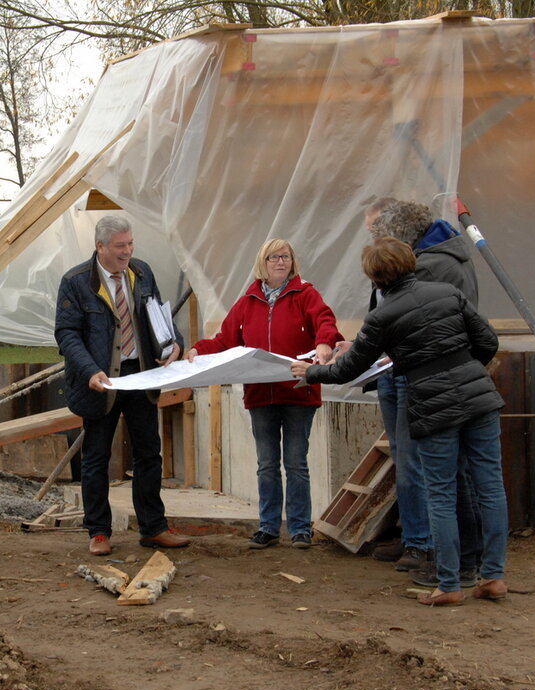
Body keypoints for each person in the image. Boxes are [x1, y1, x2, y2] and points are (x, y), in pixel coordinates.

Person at [293, 237, 508, 606]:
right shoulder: (446, 293)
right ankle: (493, 576)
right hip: (478, 397)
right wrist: (464, 366)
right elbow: (487, 341)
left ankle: (449, 584)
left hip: (432, 406)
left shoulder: (382, 316)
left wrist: (312, 372)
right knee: (490, 486)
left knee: (440, 493)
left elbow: (350, 368)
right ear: (411, 262)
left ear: (374, 278)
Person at [187, 238, 342, 550]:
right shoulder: (248, 302)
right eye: (273, 257)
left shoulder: (306, 294)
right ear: (263, 262)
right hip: (260, 396)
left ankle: (300, 529)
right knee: (267, 463)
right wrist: (197, 349)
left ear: (292, 261)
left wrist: (326, 341)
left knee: (296, 462)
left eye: (285, 256)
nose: (280, 262)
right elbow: (225, 340)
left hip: (298, 392)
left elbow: (325, 320)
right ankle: (269, 526)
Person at [361, 199, 483, 580]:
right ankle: (418, 536)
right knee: (409, 459)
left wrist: (368, 351)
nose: (377, 242)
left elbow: (417, 322)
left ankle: (432, 548)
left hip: (418, 375)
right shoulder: (435, 257)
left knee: (426, 466)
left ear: (400, 233)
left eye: (379, 234)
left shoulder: (433, 266)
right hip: (405, 369)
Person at [54, 214, 189, 556]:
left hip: (141, 375)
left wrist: (174, 343)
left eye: (130, 244)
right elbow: (66, 334)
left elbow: (160, 316)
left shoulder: (141, 272)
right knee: (97, 456)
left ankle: (153, 528)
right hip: (100, 381)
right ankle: (98, 532)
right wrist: (89, 371)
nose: (127, 251)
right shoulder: (75, 282)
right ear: (100, 246)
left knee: (149, 453)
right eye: (119, 246)